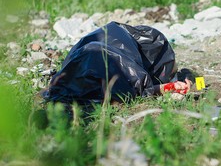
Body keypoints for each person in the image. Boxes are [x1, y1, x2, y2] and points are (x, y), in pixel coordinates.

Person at [43, 21, 192, 104]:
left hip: (110, 45)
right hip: (106, 50)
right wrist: (165, 87)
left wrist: (174, 83)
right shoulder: (111, 60)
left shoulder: (72, 71)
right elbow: (140, 87)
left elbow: (140, 85)